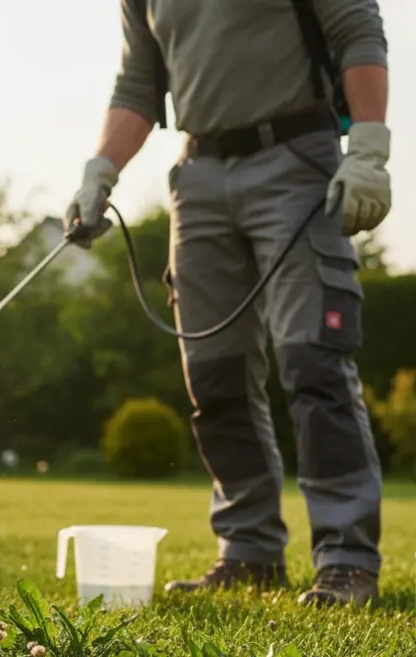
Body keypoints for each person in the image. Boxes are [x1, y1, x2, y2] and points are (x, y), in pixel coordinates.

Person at [65, 0, 391, 606]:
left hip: (298, 158)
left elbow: (356, 31)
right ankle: (249, 549)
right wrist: (100, 171)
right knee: (213, 376)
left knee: (314, 361)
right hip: (199, 177)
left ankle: (346, 560)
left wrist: (368, 148)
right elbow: (139, 81)